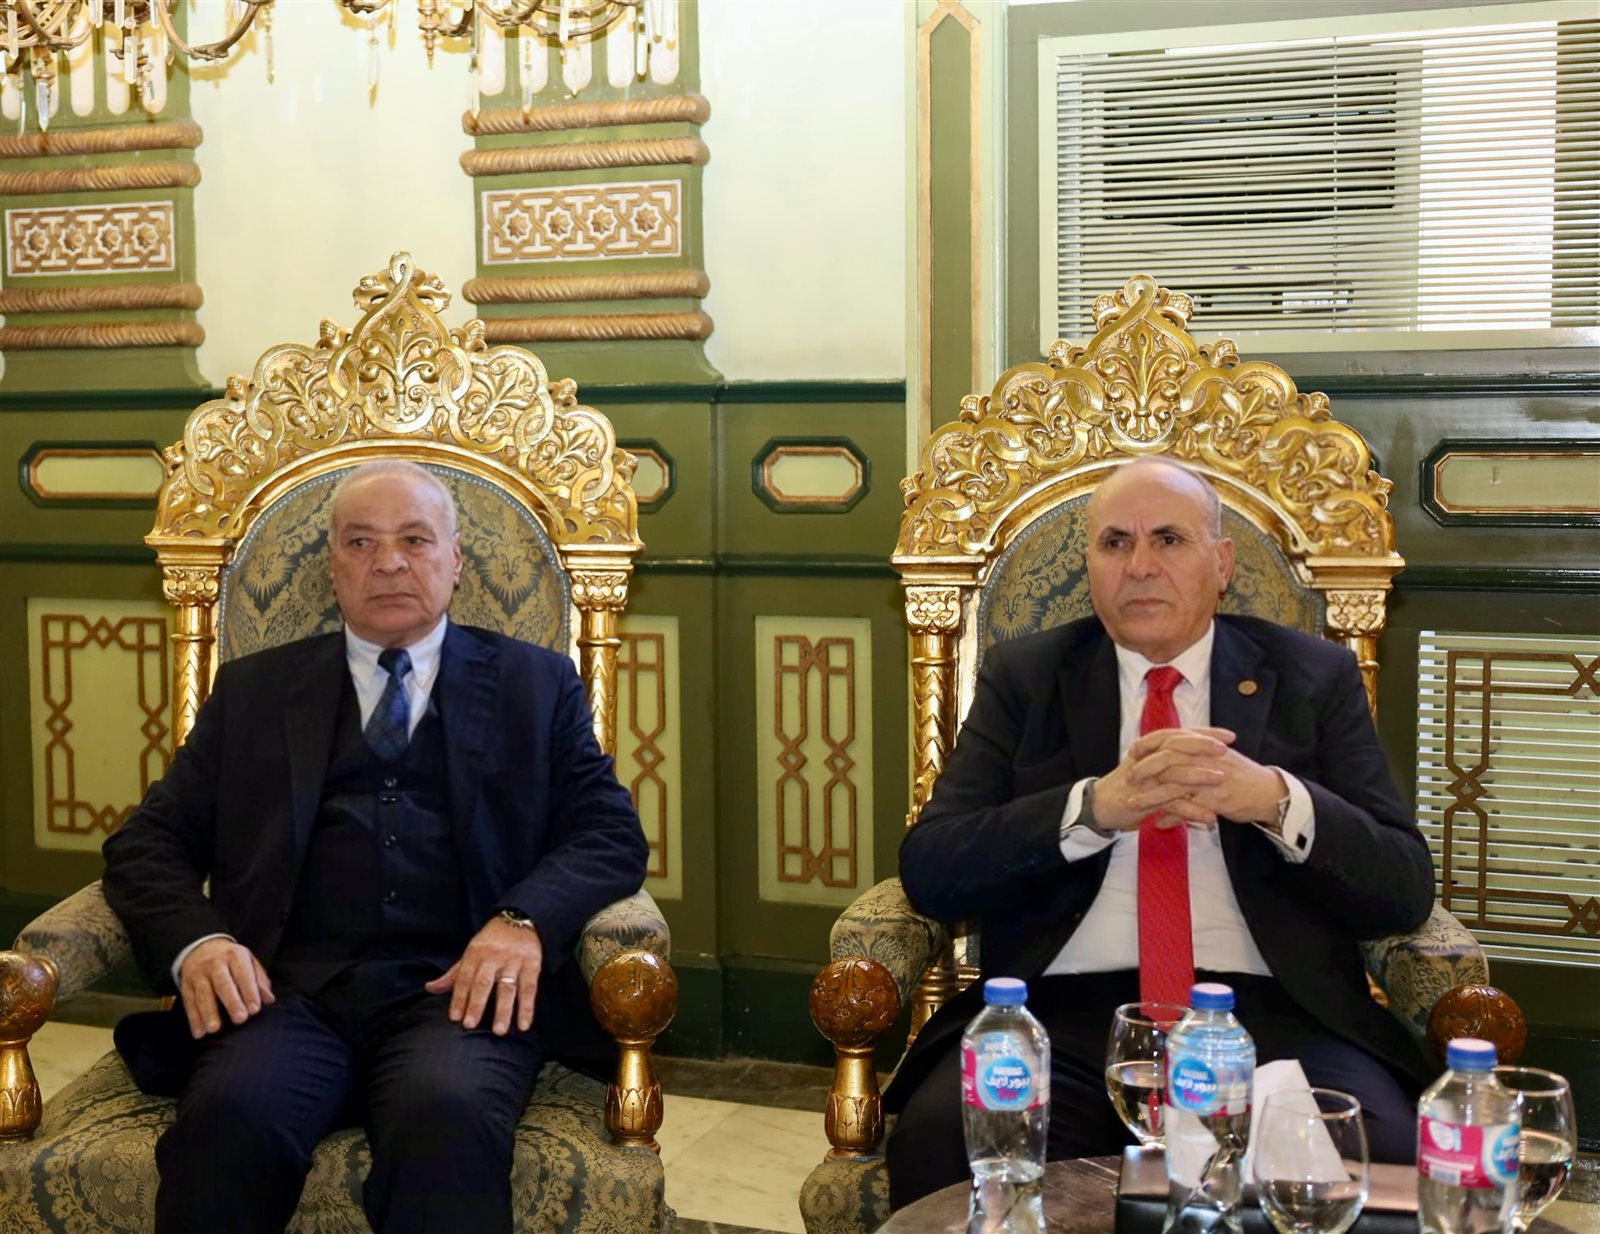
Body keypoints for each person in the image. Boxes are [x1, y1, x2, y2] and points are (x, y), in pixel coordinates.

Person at [102, 460, 648, 1234]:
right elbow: (147, 841)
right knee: (231, 1118)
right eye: (360, 542)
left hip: (457, 997)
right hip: (283, 996)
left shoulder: (536, 683)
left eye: (415, 540)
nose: (388, 562)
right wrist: (200, 941)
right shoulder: (254, 690)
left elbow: (609, 832)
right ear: (332, 567)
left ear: (456, 560)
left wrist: (524, 920)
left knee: (445, 1120)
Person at [883, 457, 1435, 1208]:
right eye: (1115, 543)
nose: (1139, 566)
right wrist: (1094, 808)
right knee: (942, 1142)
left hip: (1272, 1013)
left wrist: (1273, 800)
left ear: (1222, 563)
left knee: (1381, 1159)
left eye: (1169, 539)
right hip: (1062, 1015)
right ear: (1089, 565)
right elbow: (932, 869)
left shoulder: (1313, 676)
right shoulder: (1027, 677)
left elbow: (1403, 886)